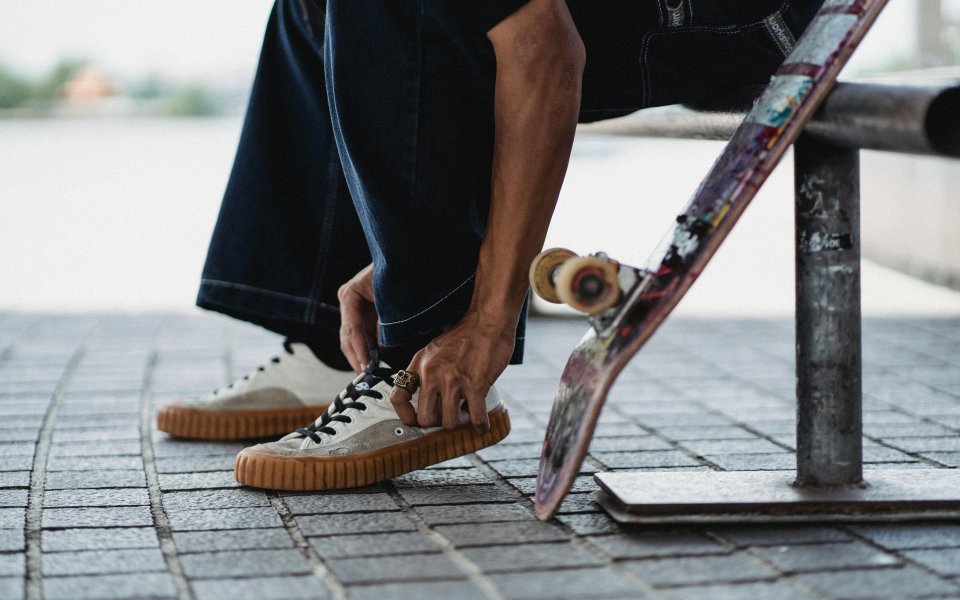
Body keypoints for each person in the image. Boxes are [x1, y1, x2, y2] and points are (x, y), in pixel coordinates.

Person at [158, 0, 823, 490]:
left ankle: (427, 356)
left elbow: (543, 54)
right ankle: (330, 347)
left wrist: (486, 319)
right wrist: (408, 254)